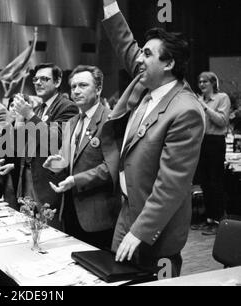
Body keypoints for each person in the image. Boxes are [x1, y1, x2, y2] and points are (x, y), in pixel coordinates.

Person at [102, 0, 205, 276]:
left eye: (147, 54)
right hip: (127, 216)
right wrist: (109, 4)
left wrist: (140, 231)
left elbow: (171, 184)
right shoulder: (148, 79)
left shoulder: (186, 111)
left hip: (155, 230)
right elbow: (125, 45)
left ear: (169, 63)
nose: (139, 59)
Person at [43, 65, 120, 250]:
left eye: (83, 85)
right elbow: (69, 158)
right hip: (69, 210)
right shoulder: (72, 122)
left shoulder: (110, 120)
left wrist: (76, 180)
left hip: (97, 214)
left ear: (99, 89)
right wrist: (57, 163)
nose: (76, 91)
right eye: (73, 86)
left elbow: (111, 169)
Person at [12, 63, 79, 228]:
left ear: (57, 82)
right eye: (35, 79)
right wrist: (20, 119)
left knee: (48, 232)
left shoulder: (67, 106)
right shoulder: (40, 108)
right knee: (29, 230)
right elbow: (22, 146)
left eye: (44, 79)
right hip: (28, 177)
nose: (38, 82)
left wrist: (29, 115)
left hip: (47, 183)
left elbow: (56, 141)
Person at [193, 71, 231, 235]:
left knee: (216, 182)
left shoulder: (222, 98)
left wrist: (204, 107)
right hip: (202, 142)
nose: (201, 84)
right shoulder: (199, 100)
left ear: (213, 83)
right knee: (205, 183)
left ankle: (218, 220)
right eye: (200, 82)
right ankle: (208, 219)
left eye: (205, 82)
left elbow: (222, 121)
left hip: (215, 142)